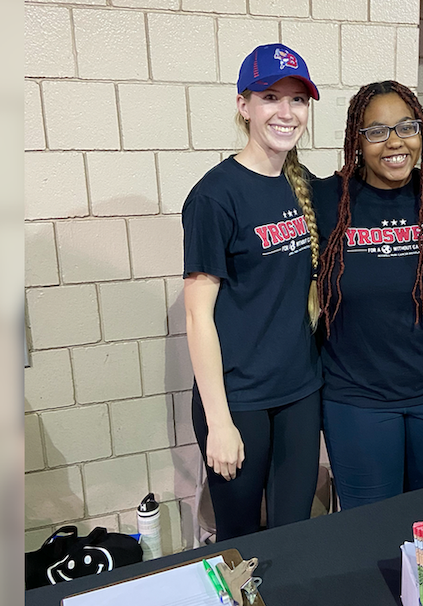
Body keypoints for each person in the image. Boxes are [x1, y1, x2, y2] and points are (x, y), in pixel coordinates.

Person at [182, 43, 322, 540]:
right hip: (239, 399)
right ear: (244, 105)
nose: (286, 112)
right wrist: (218, 421)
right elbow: (198, 316)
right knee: (240, 540)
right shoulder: (214, 196)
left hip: (300, 392)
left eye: (298, 100)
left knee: (294, 533)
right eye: (270, 97)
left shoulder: (300, 182)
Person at [312, 81, 423, 509]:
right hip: (358, 398)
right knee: (371, 522)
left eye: (406, 127)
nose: (395, 141)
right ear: (357, 141)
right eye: (377, 131)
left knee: (415, 509)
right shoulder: (326, 200)